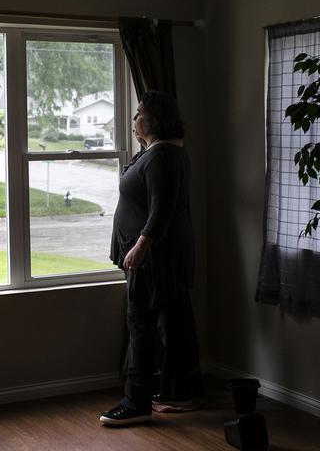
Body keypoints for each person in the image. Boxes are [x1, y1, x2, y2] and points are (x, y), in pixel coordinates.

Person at [100, 91, 201, 426]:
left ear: (155, 119)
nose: (134, 119)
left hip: (154, 258)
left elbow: (162, 210)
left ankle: (135, 403)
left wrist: (140, 246)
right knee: (169, 324)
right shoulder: (159, 153)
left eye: (139, 113)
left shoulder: (162, 157)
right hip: (157, 256)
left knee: (140, 325)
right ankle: (175, 392)